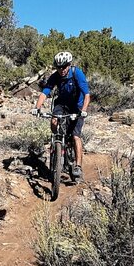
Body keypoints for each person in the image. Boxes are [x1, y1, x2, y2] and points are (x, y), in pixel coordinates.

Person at [32, 51, 90, 179]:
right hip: (62, 104)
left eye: (64, 66)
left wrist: (84, 110)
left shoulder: (77, 73)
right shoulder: (55, 76)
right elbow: (45, 92)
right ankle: (56, 145)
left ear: (69, 65)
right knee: (54, 122)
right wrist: (37, 107)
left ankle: (78, 166)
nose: (61, 69)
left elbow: (86, 94)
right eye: (59, 67)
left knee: (75, 136)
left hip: (77, 106)